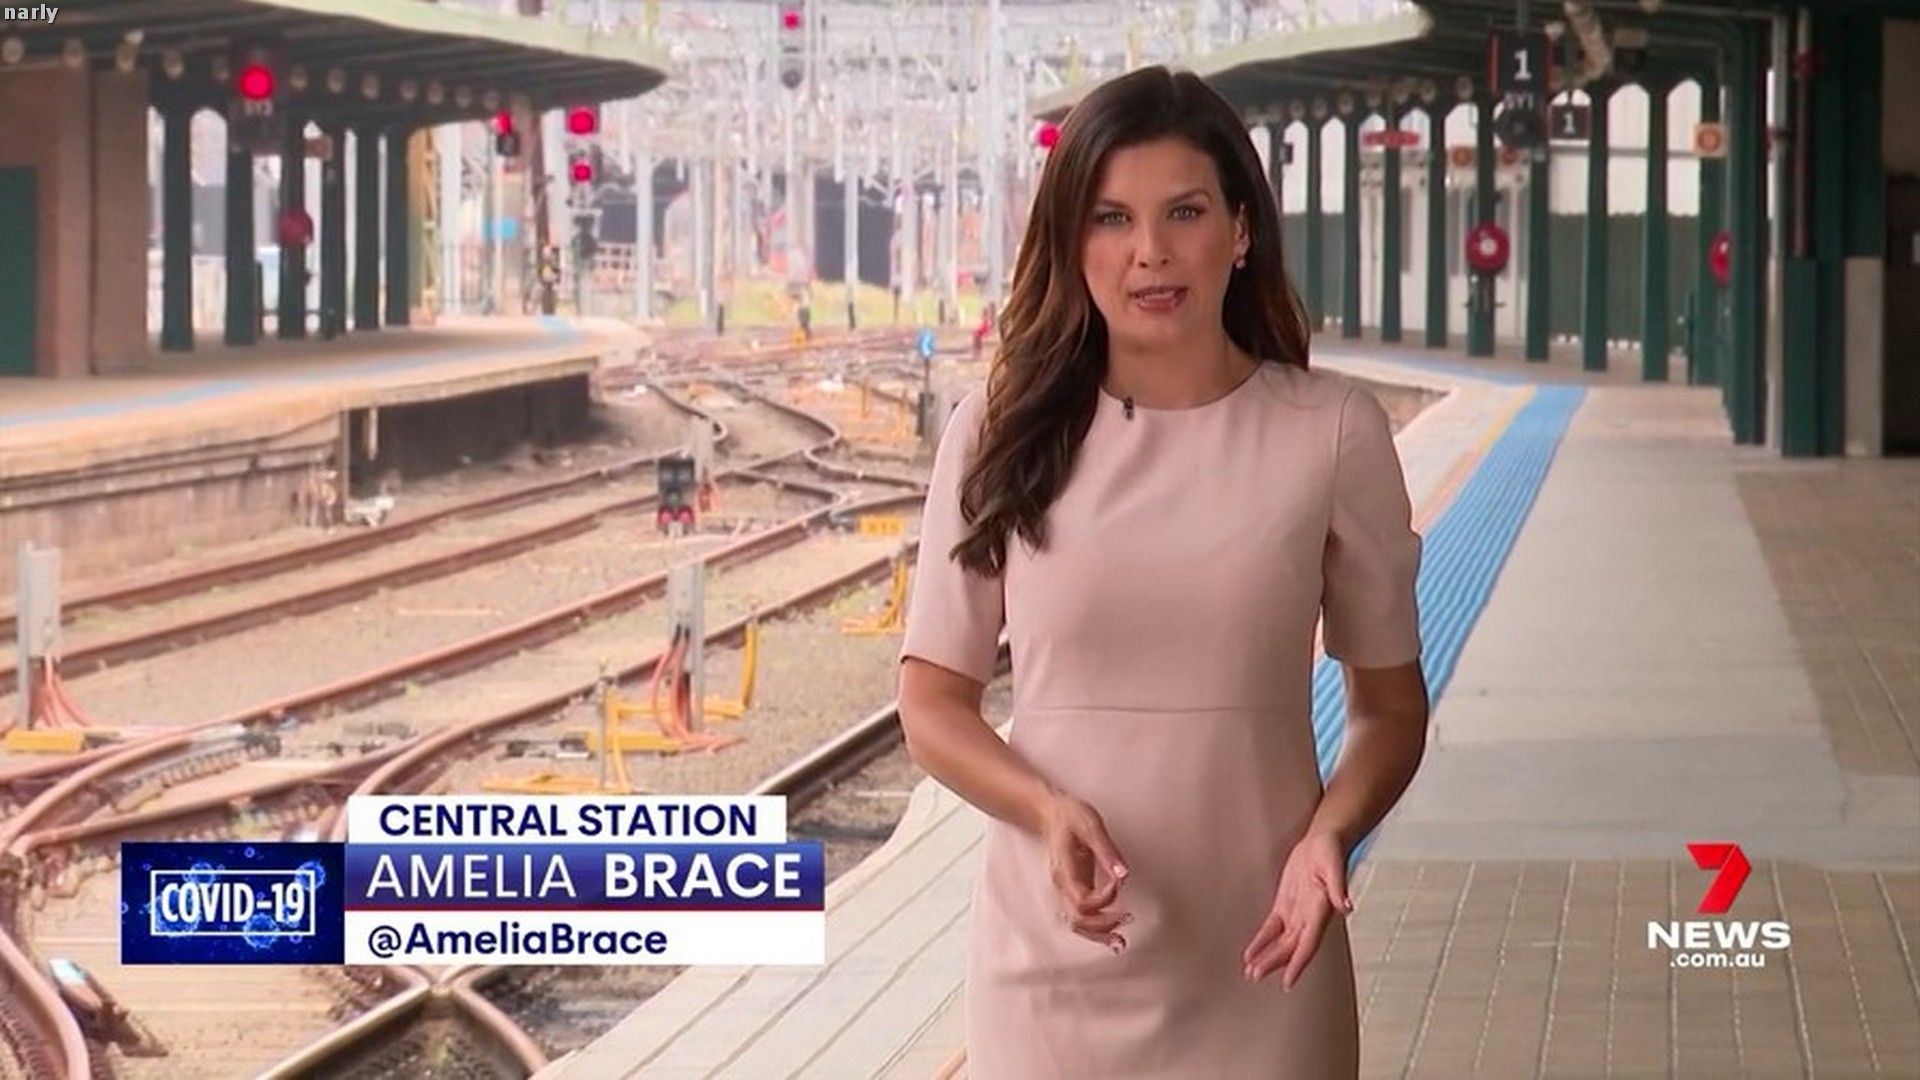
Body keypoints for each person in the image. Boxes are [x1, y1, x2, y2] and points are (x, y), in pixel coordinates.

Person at [896, 65, 1430, 1079]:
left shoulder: (1331, 434)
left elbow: (1390, 710)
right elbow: (931, 705)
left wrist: (1334, 833)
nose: (1150, 251)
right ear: (1071, 241)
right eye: (1111, 218)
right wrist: (1045, 810)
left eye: (1184, 212)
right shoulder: (997, 431)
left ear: (1241, 229)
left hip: (1269, 952)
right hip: (1052, 959)